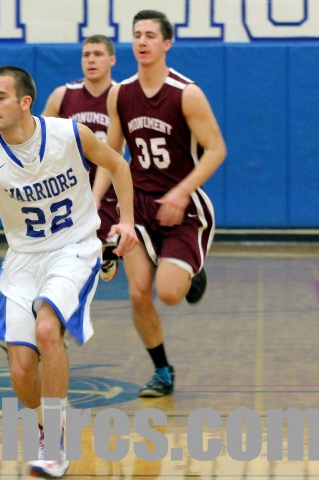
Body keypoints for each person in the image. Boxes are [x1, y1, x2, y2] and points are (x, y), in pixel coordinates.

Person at [0, 66, 138, 478]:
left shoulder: (69, 135)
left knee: (47, 329)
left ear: (25, 102)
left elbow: (118, 165)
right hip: (23, 260)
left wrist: (126, 221)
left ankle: (54, 445)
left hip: (74, 248)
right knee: (21, 371)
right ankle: (48, 423)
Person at [93, 10, 226, 397]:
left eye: (150, 35)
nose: (142, 41)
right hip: (138, 206)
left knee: (168, 293)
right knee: (138, 293)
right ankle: (162, 371)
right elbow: (111, 155)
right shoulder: (121, 93)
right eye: (137, 34)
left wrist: (182, 191)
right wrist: (94, 201)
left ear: (166, 44)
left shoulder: (186, 93)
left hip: (183, 207)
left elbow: (217, 149)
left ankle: (190, 272)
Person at [42, 35, 122, 282]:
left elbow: (115, 154)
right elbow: (41, 139)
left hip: (107, 188)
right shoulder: (62, 95)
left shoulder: (120, 95)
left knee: (101, 253)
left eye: (98, 54)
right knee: (66, 260)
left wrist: (95, 196)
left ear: (112, 60)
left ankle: (108, 251)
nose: (91, 60)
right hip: (69, 186)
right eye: (86, 55)